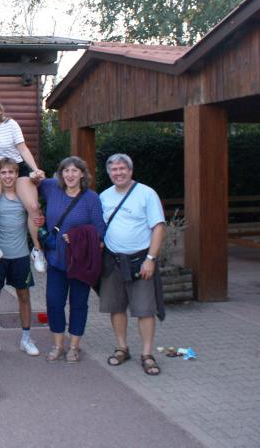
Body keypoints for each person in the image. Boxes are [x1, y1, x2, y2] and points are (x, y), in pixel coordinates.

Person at [98, 153, 166, 376]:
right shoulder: (104, 197)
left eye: (122, 169)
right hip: (112, 261)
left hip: (140, 261)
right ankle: (121, 347)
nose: (118, 173)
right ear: (109, 173)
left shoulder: (146, 194)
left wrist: (151, 259)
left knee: (145, 309)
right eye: (114, 170)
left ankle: (147, 354)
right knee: (116, 307)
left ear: (130, 171)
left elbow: (158, 227)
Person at [37, 156, 106, 364]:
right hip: (56, 260)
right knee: (54, 303)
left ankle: (74, 347)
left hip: (80, 262)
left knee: (78, 304)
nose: (70, 175)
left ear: (82, 174)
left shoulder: (91, 198)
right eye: (66, 171)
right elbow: (29, 183)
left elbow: (100, 231)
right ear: (60, 174)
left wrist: (77, 236)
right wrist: (34, 175)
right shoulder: (51, 189)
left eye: (75, 171)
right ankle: (58, 344)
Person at [0, 158, 39, 359]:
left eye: (11, 173)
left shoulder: (24, 196)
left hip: (21, 255)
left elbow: (35, 215)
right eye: (4, 173)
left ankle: (26, 338)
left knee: (24, 296)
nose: (7, 176)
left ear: (17, 175)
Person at [0, 96, 44, 254]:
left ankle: (37, 250)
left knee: (33, 206)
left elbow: (23, 148)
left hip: (17, 167)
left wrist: (35, 169)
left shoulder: (10, 124)